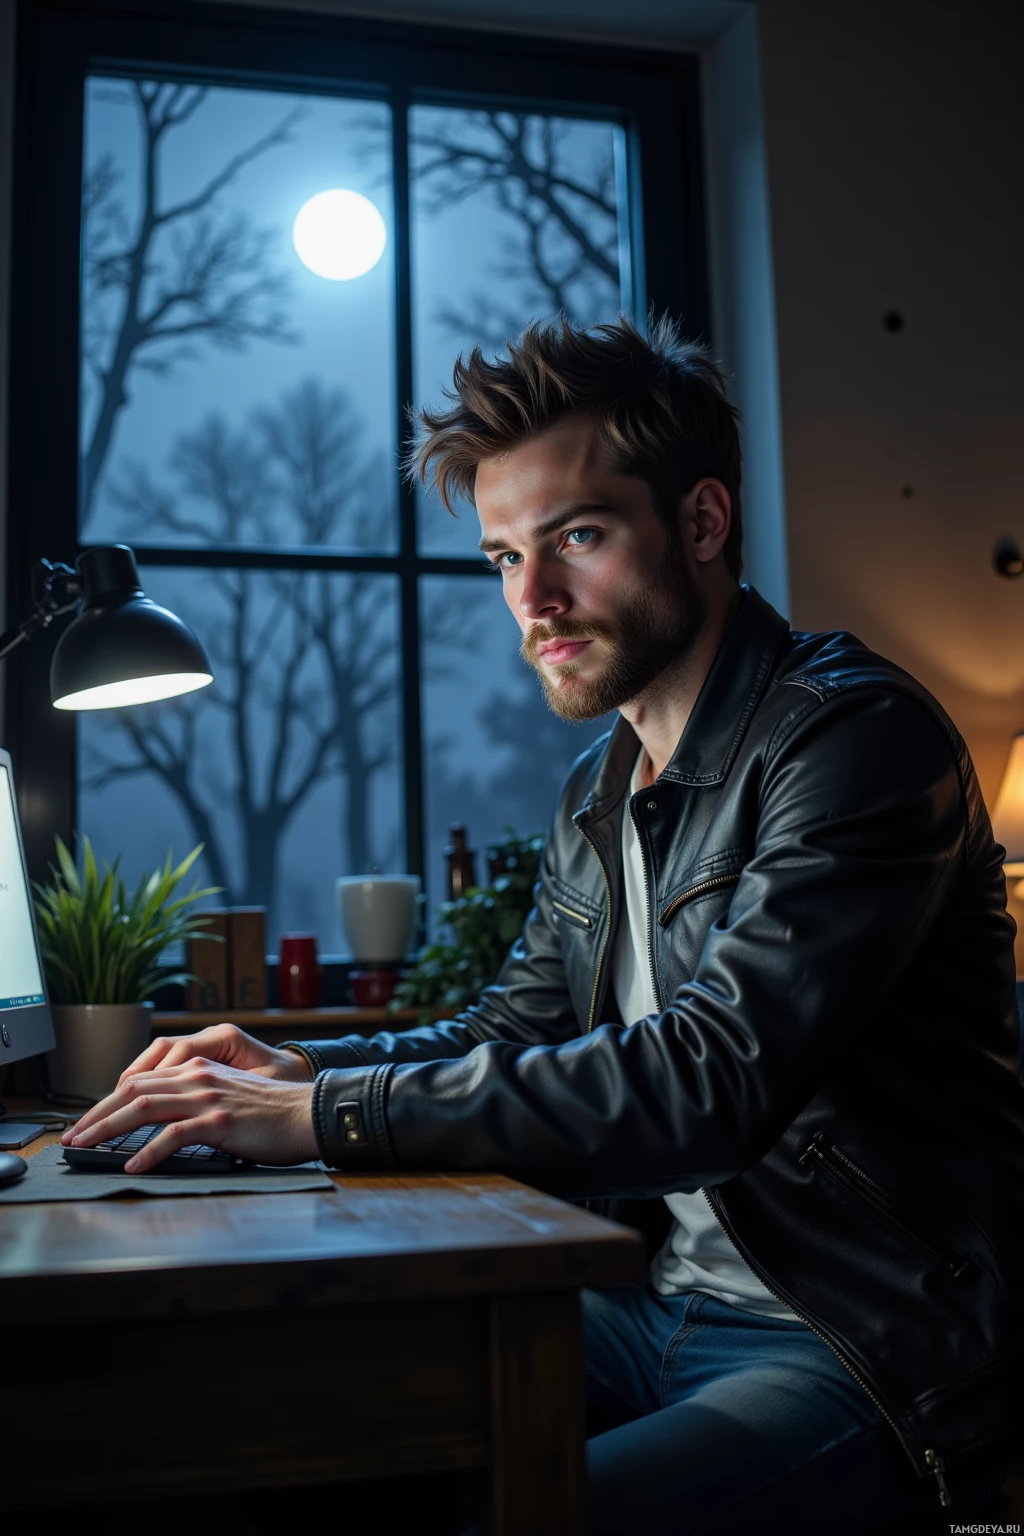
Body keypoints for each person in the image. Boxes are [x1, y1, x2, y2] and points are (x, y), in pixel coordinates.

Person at [65, 315, 1024, 1533]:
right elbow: (505, 1028)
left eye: (575, 537)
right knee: (297, 1427)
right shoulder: (601, 786)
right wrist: (292, 1065)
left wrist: (313, 1117)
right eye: (502, 558)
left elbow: (711, 1081)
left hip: (857, 1345)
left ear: (702, 523)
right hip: (644, 1298)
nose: (534, 601)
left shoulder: (851, 739)